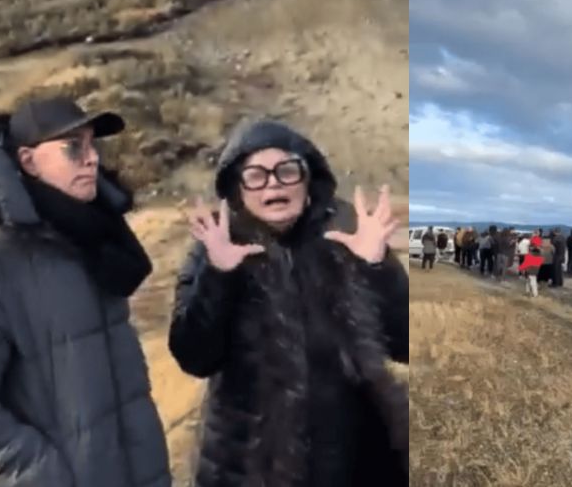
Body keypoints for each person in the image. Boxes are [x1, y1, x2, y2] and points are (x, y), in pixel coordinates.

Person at [0, 99, 171, 486]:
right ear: (29, 161)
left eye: (92, 145)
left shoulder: (95, 237)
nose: (91, 158)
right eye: (73, 147)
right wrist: (46, 475)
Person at [169, 120, 408, 486]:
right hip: (247, 468)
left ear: (308, 178)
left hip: (357, 462)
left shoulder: (348, 237)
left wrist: (375, 267)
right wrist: (218, 276)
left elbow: (405, 344)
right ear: (237, 189)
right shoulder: (216, 248)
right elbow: (194, 357)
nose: (273, 184)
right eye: (255, 175)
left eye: (287, 170)